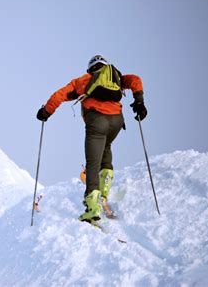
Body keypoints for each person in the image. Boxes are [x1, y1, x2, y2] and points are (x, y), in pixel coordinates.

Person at [36, 55, 147, 223]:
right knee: (106, 147)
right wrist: (139, 102)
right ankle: (104, 191)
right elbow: (136, 80)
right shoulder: (116, 77)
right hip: (117, 121)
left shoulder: (86, 80)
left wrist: (46, 112)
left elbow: (61, 94)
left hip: (97, 121)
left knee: (93, 163)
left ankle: (92, 207)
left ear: (91, 68)